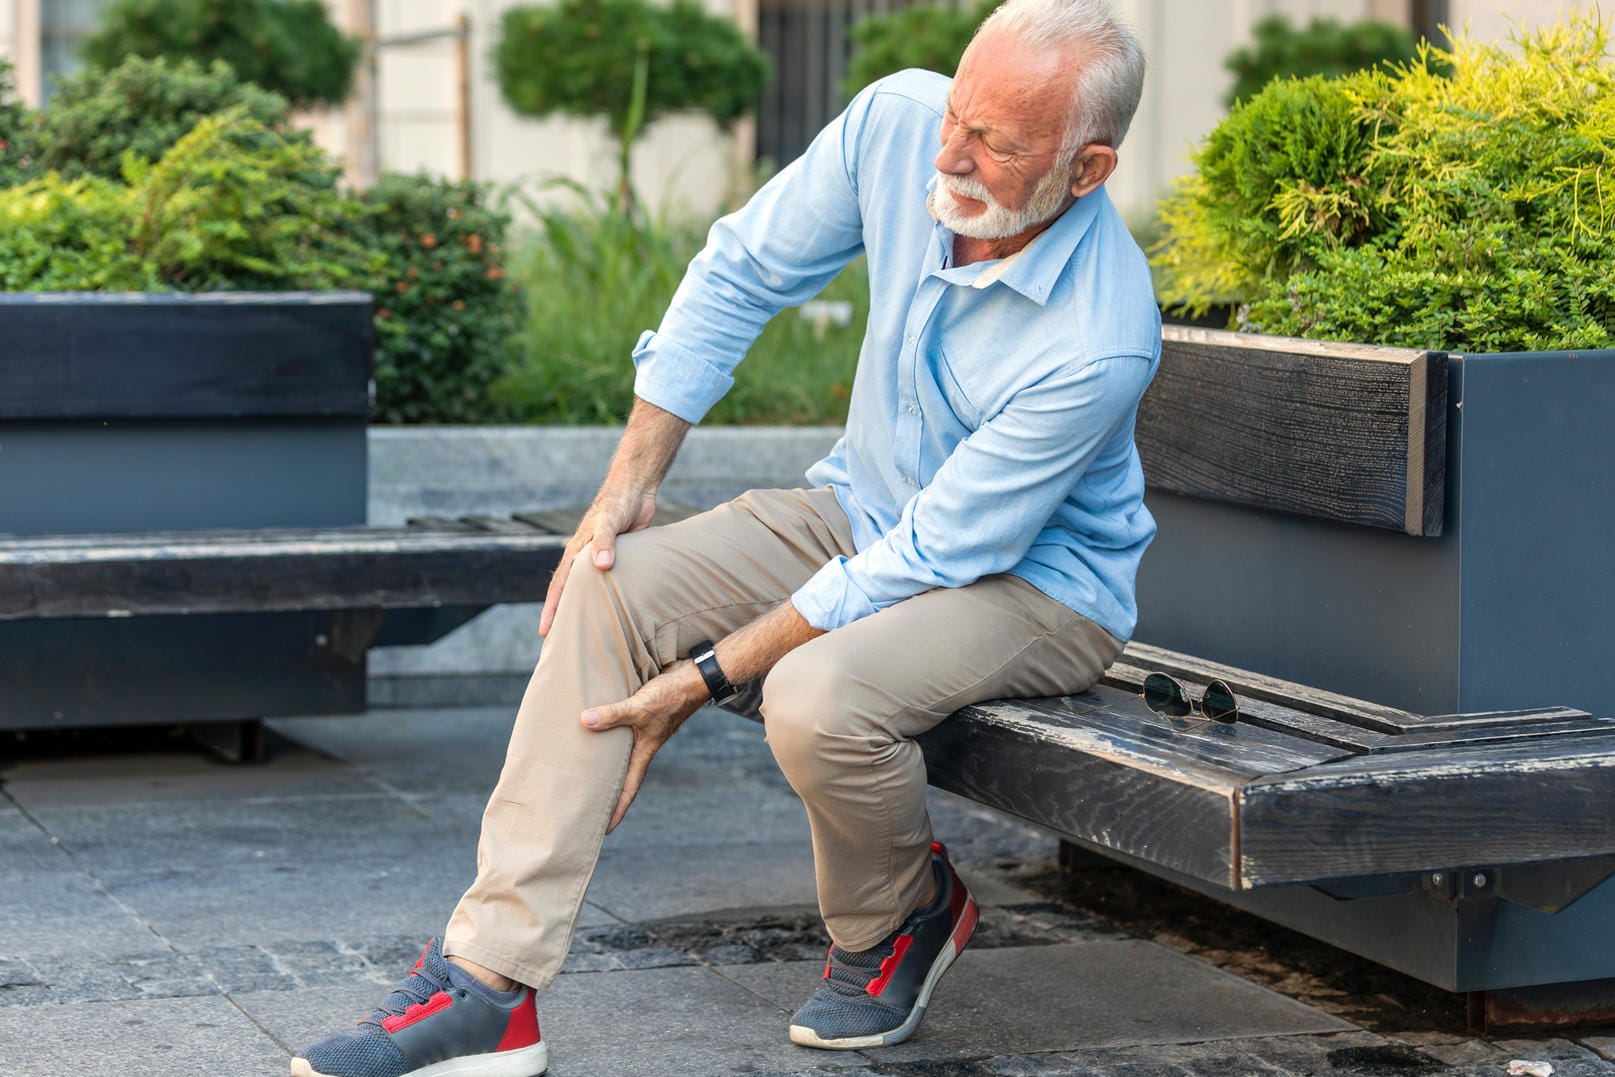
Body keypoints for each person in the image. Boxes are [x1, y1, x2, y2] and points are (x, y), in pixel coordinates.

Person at [293, 0, 1155, 1073]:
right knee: (610, 579)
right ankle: (490, 983)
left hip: (1034, 586)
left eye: (997, 145)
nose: (952, 152)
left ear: (1087, 170)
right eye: (959, 114)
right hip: (864, 509)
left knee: (813, 694)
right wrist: (624, 487)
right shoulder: (898, 123)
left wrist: (703, 676)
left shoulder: (1099, 337)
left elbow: (934, 556)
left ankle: (901, 913)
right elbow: (742, 271)